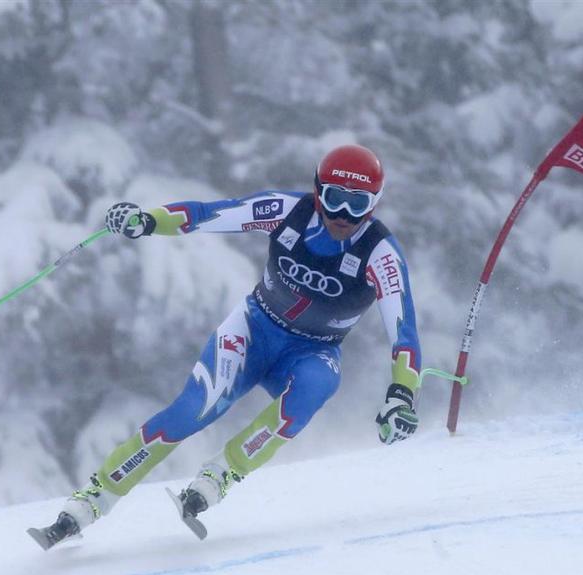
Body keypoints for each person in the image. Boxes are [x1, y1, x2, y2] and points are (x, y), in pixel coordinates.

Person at [30, 144, 422, 549]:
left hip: (313, 351)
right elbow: (207, 215)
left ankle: (221, 475)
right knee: (192, 410)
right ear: (318, 190)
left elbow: (404, 332)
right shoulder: (288, 210)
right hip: (254, 330)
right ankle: (94, 498)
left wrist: (401, 395)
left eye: (358, 204)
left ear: (375, 203)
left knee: (317, 385)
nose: (343, 215)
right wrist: (147, 221)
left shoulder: (380, 252)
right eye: (335, 198)